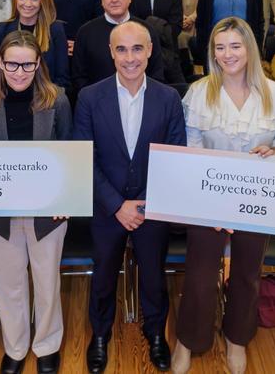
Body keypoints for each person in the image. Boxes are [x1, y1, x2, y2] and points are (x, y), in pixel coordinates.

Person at [172, 17, 275, 374]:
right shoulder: (199, 92)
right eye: (220, 47)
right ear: (212, 52)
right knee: (199, 273)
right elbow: (190, 148)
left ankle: (237, 336)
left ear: (249, 49)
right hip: (207, 201)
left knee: (247, 272)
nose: (228, 54)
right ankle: (189, 339)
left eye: (235, 46)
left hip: (256, 200)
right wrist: (213, 206)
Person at [73, 21, 186, 374]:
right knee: (104, 273)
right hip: (107, 207)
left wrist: (145, 203)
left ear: (150, 50)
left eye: (137, 48)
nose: (130, 57)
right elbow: (83, 156)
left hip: (152, 206)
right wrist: (116, 205)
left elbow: (176, 155)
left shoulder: (168, 98)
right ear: (111, 53)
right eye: (121, 49)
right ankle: (101, 334)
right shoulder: (90, 97)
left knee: (153, 275)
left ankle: (155, 333)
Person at [0, 32, 72, 374]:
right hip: (1, 210)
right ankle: (15, 346)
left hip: (47, 208)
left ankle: (46, 343)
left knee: (47, 279)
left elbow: (69, 152)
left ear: (38, 65)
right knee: (7, 281)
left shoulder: (57, 100)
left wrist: (66, 197)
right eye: (12, 63)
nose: (19, 71)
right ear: (0, 63)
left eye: (27, 64)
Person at [71, 0, 166, 92]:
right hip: (98, 104)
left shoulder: (146, 30)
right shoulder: (85, 32)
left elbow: (156, 73)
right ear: (101, 1)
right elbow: (79, 77)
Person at [0, 0, 70, 89]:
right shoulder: (1, 30)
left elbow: (62, 79)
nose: (28, 4)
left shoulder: (55, 30)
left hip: (44, 100)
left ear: (43, 0)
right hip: (9, 97)